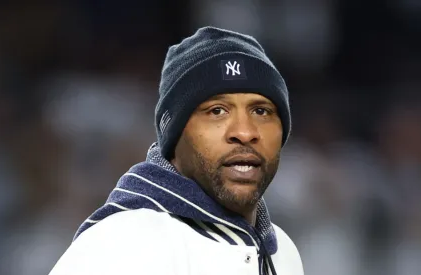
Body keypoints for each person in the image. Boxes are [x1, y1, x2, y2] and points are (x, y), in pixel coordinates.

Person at [48, 26, 304, 275]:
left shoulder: (282, 252)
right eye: (217, 111)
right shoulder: (124, 242)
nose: (245, 132)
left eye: (261, 111)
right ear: (175, 135)